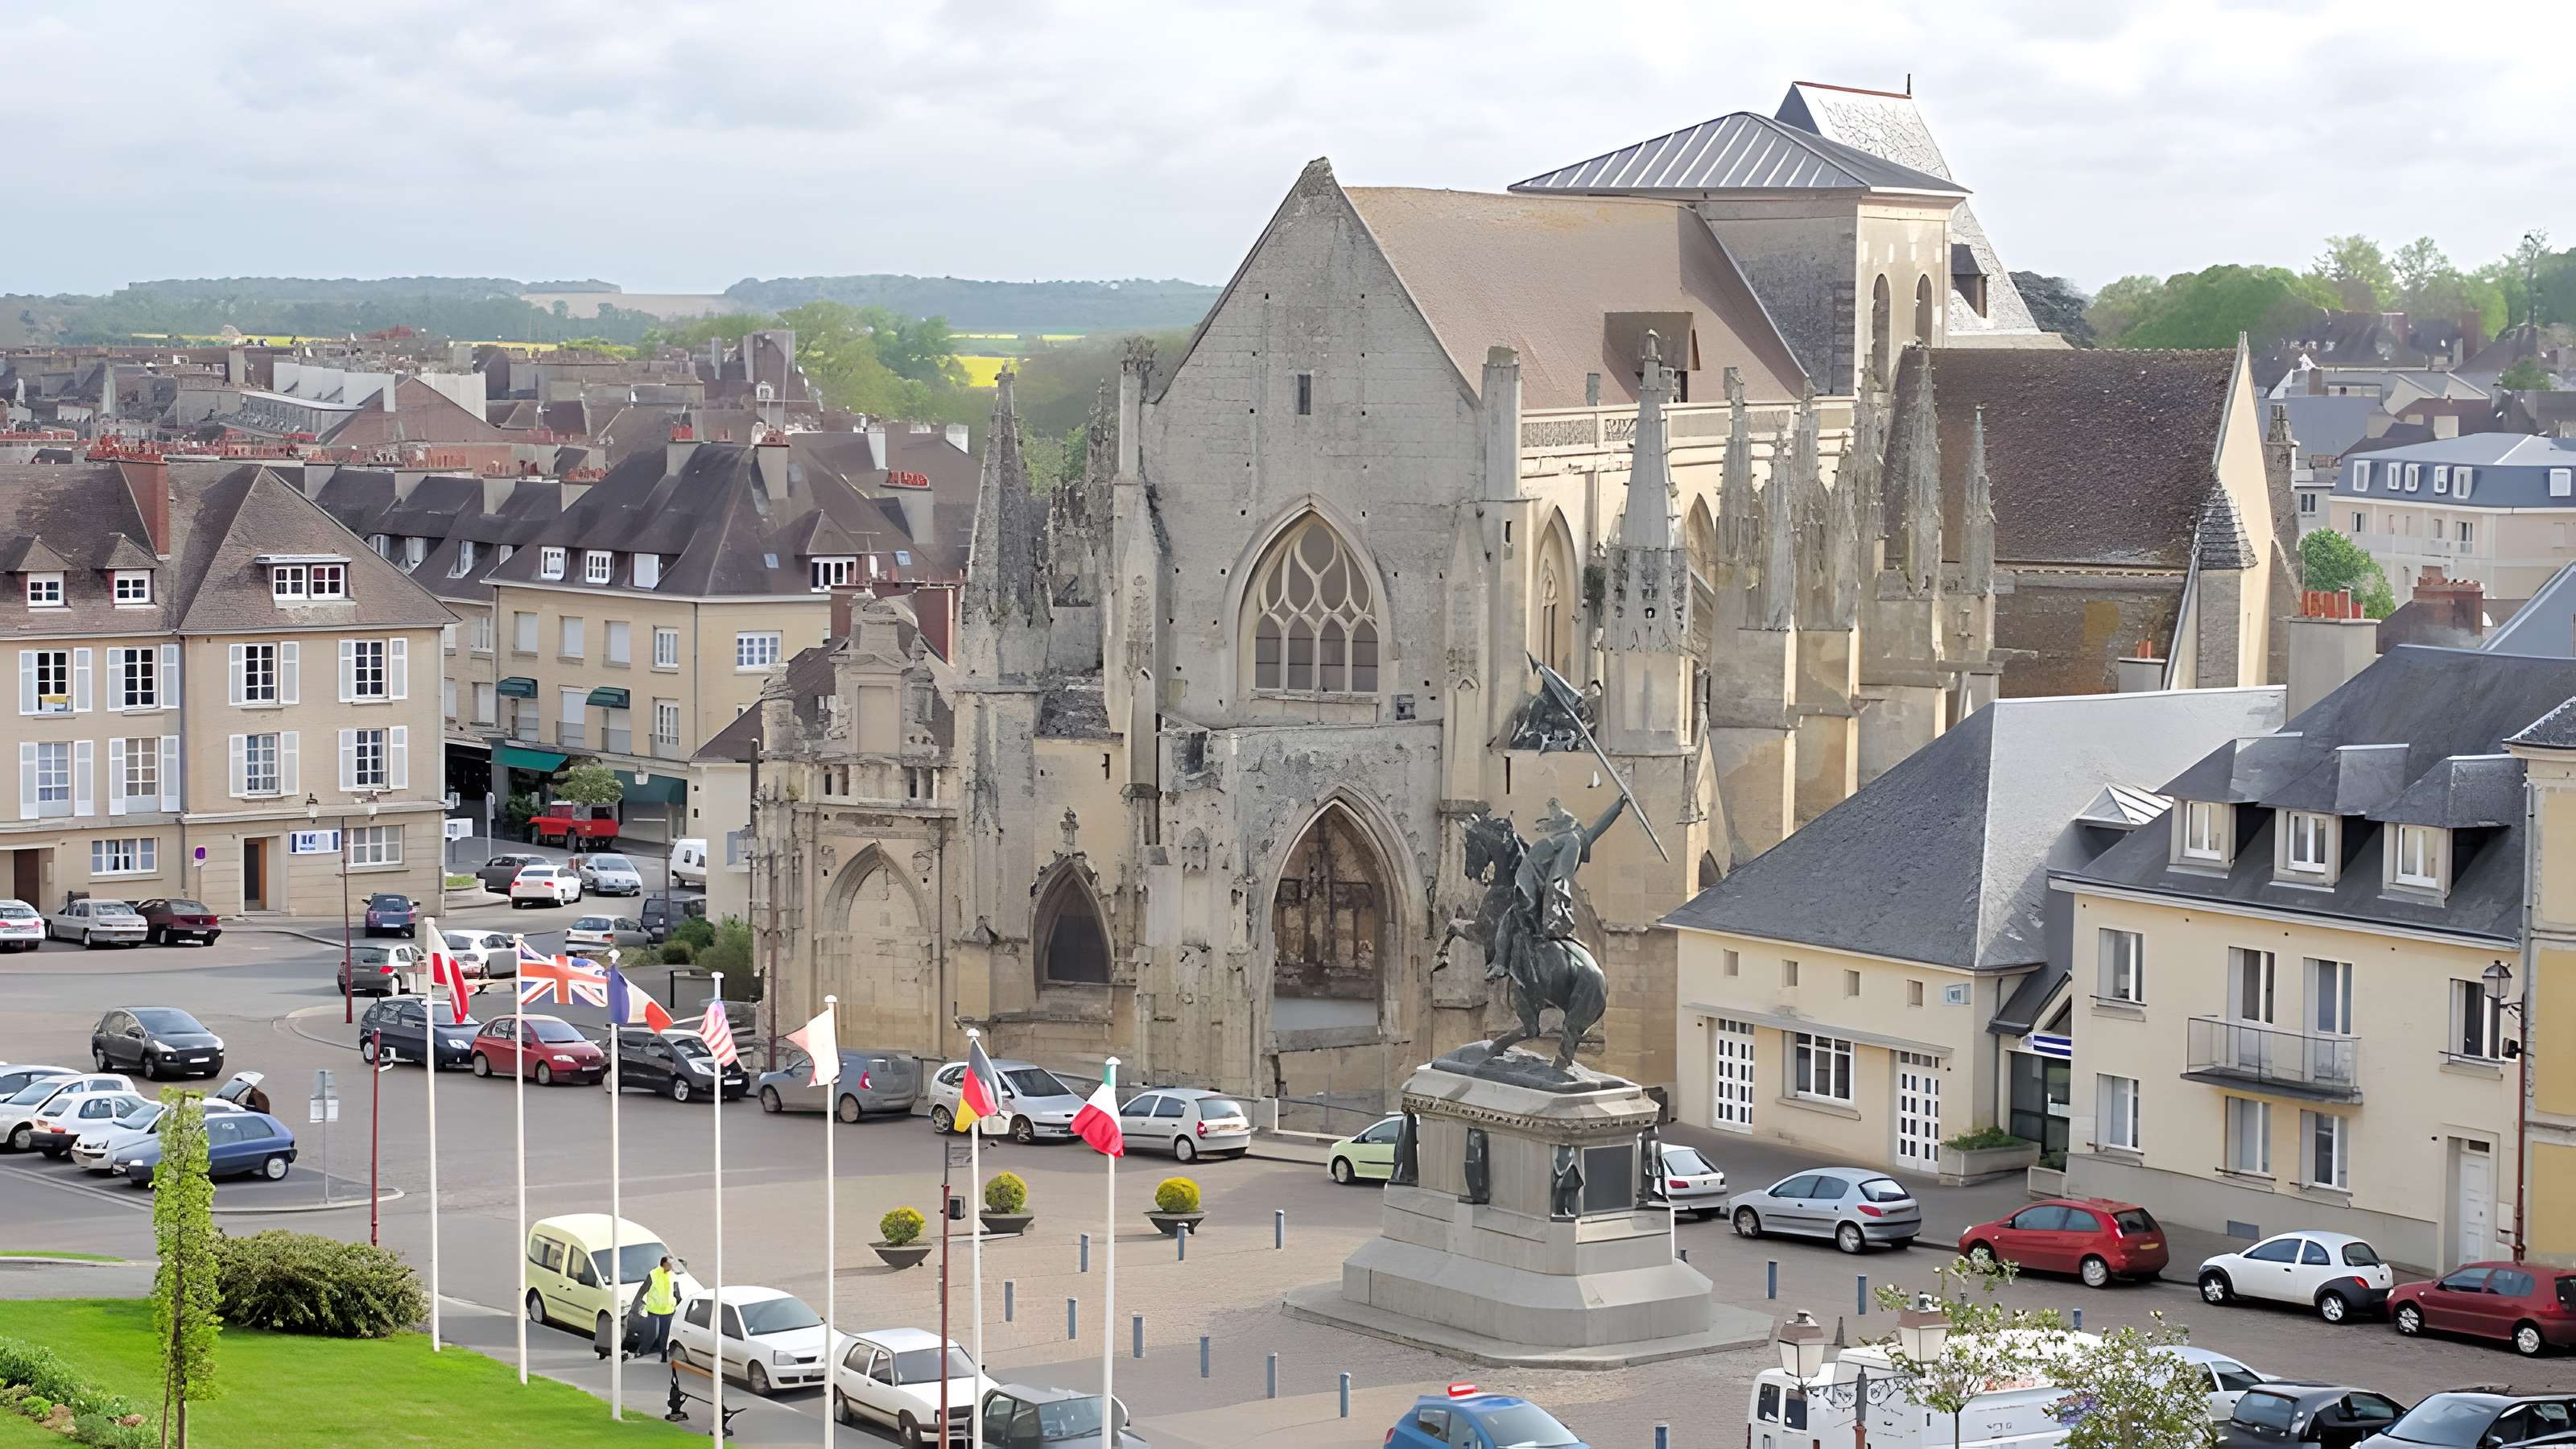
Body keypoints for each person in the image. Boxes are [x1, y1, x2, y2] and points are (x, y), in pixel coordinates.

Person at [630, 1254, 679, 1363]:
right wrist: (635, 1304)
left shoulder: (673, 1276)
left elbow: (676, 1292)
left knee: (665, 1336)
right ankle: (641, 1351)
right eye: (670, 1264)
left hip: (668, 1311)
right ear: (664, 1264)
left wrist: (679, 1304)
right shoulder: (653, 1274)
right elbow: (643, 1290)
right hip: (654, 1311)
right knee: (652, 1334)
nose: (672, 1266)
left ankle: (664, 1356)